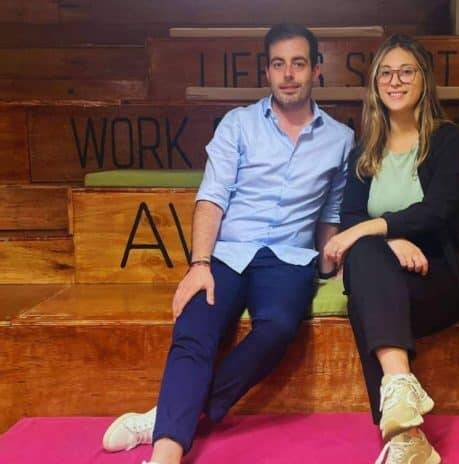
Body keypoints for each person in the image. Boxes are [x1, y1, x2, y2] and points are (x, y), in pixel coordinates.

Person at [101, 23, 353, 464]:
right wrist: (199, 264)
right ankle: (165, 455)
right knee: (194, 329)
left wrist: (332, 267)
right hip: (228, 253)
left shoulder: (340, 139)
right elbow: (212, 198)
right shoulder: (238, 124)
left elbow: (330, 212)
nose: (288, 74)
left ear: (316, 69)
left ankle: (169, 417)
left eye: (298, 64)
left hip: (289, 259)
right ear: (267, 71)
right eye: (278, 64)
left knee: (278, 327)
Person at [324, 34, 459, 464]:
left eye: (406, 71)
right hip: (389, 281)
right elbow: (350, 216)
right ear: (375, 84)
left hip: (444, 276)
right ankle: (404, 417)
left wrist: (374, 227)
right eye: (386, 73)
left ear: (424, 79)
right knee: (366, 265)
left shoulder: (446, 140)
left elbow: (439, 210)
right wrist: (391, 241)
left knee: (364, 288)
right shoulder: (365, 150)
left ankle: (405, 434)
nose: (395, 81)